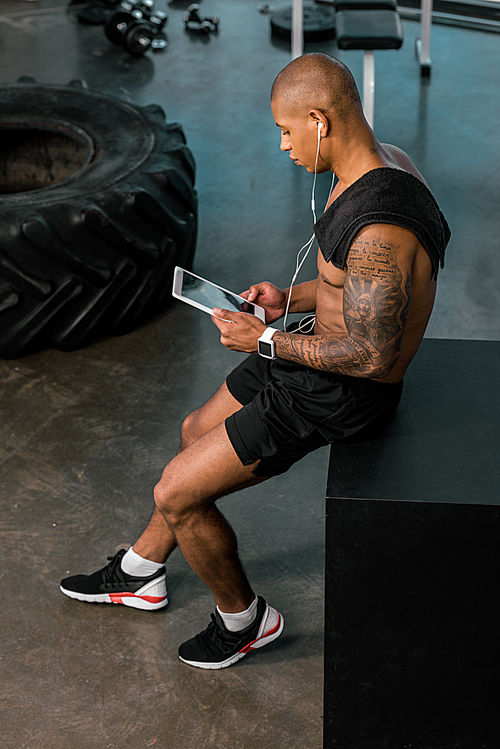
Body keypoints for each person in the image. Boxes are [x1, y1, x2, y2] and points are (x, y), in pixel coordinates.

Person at [60, 53, 451, 670]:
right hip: (309, 350)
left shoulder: (381, 227)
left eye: (286, 131)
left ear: (319, 121)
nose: (282, 146)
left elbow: (372, 355)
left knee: (178, 492)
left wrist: (261, 342)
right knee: (195, 430)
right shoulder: (384, 165)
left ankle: (245, 621)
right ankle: (139, 571)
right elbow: (349, 292)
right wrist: (281, 303)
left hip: (340, 389)